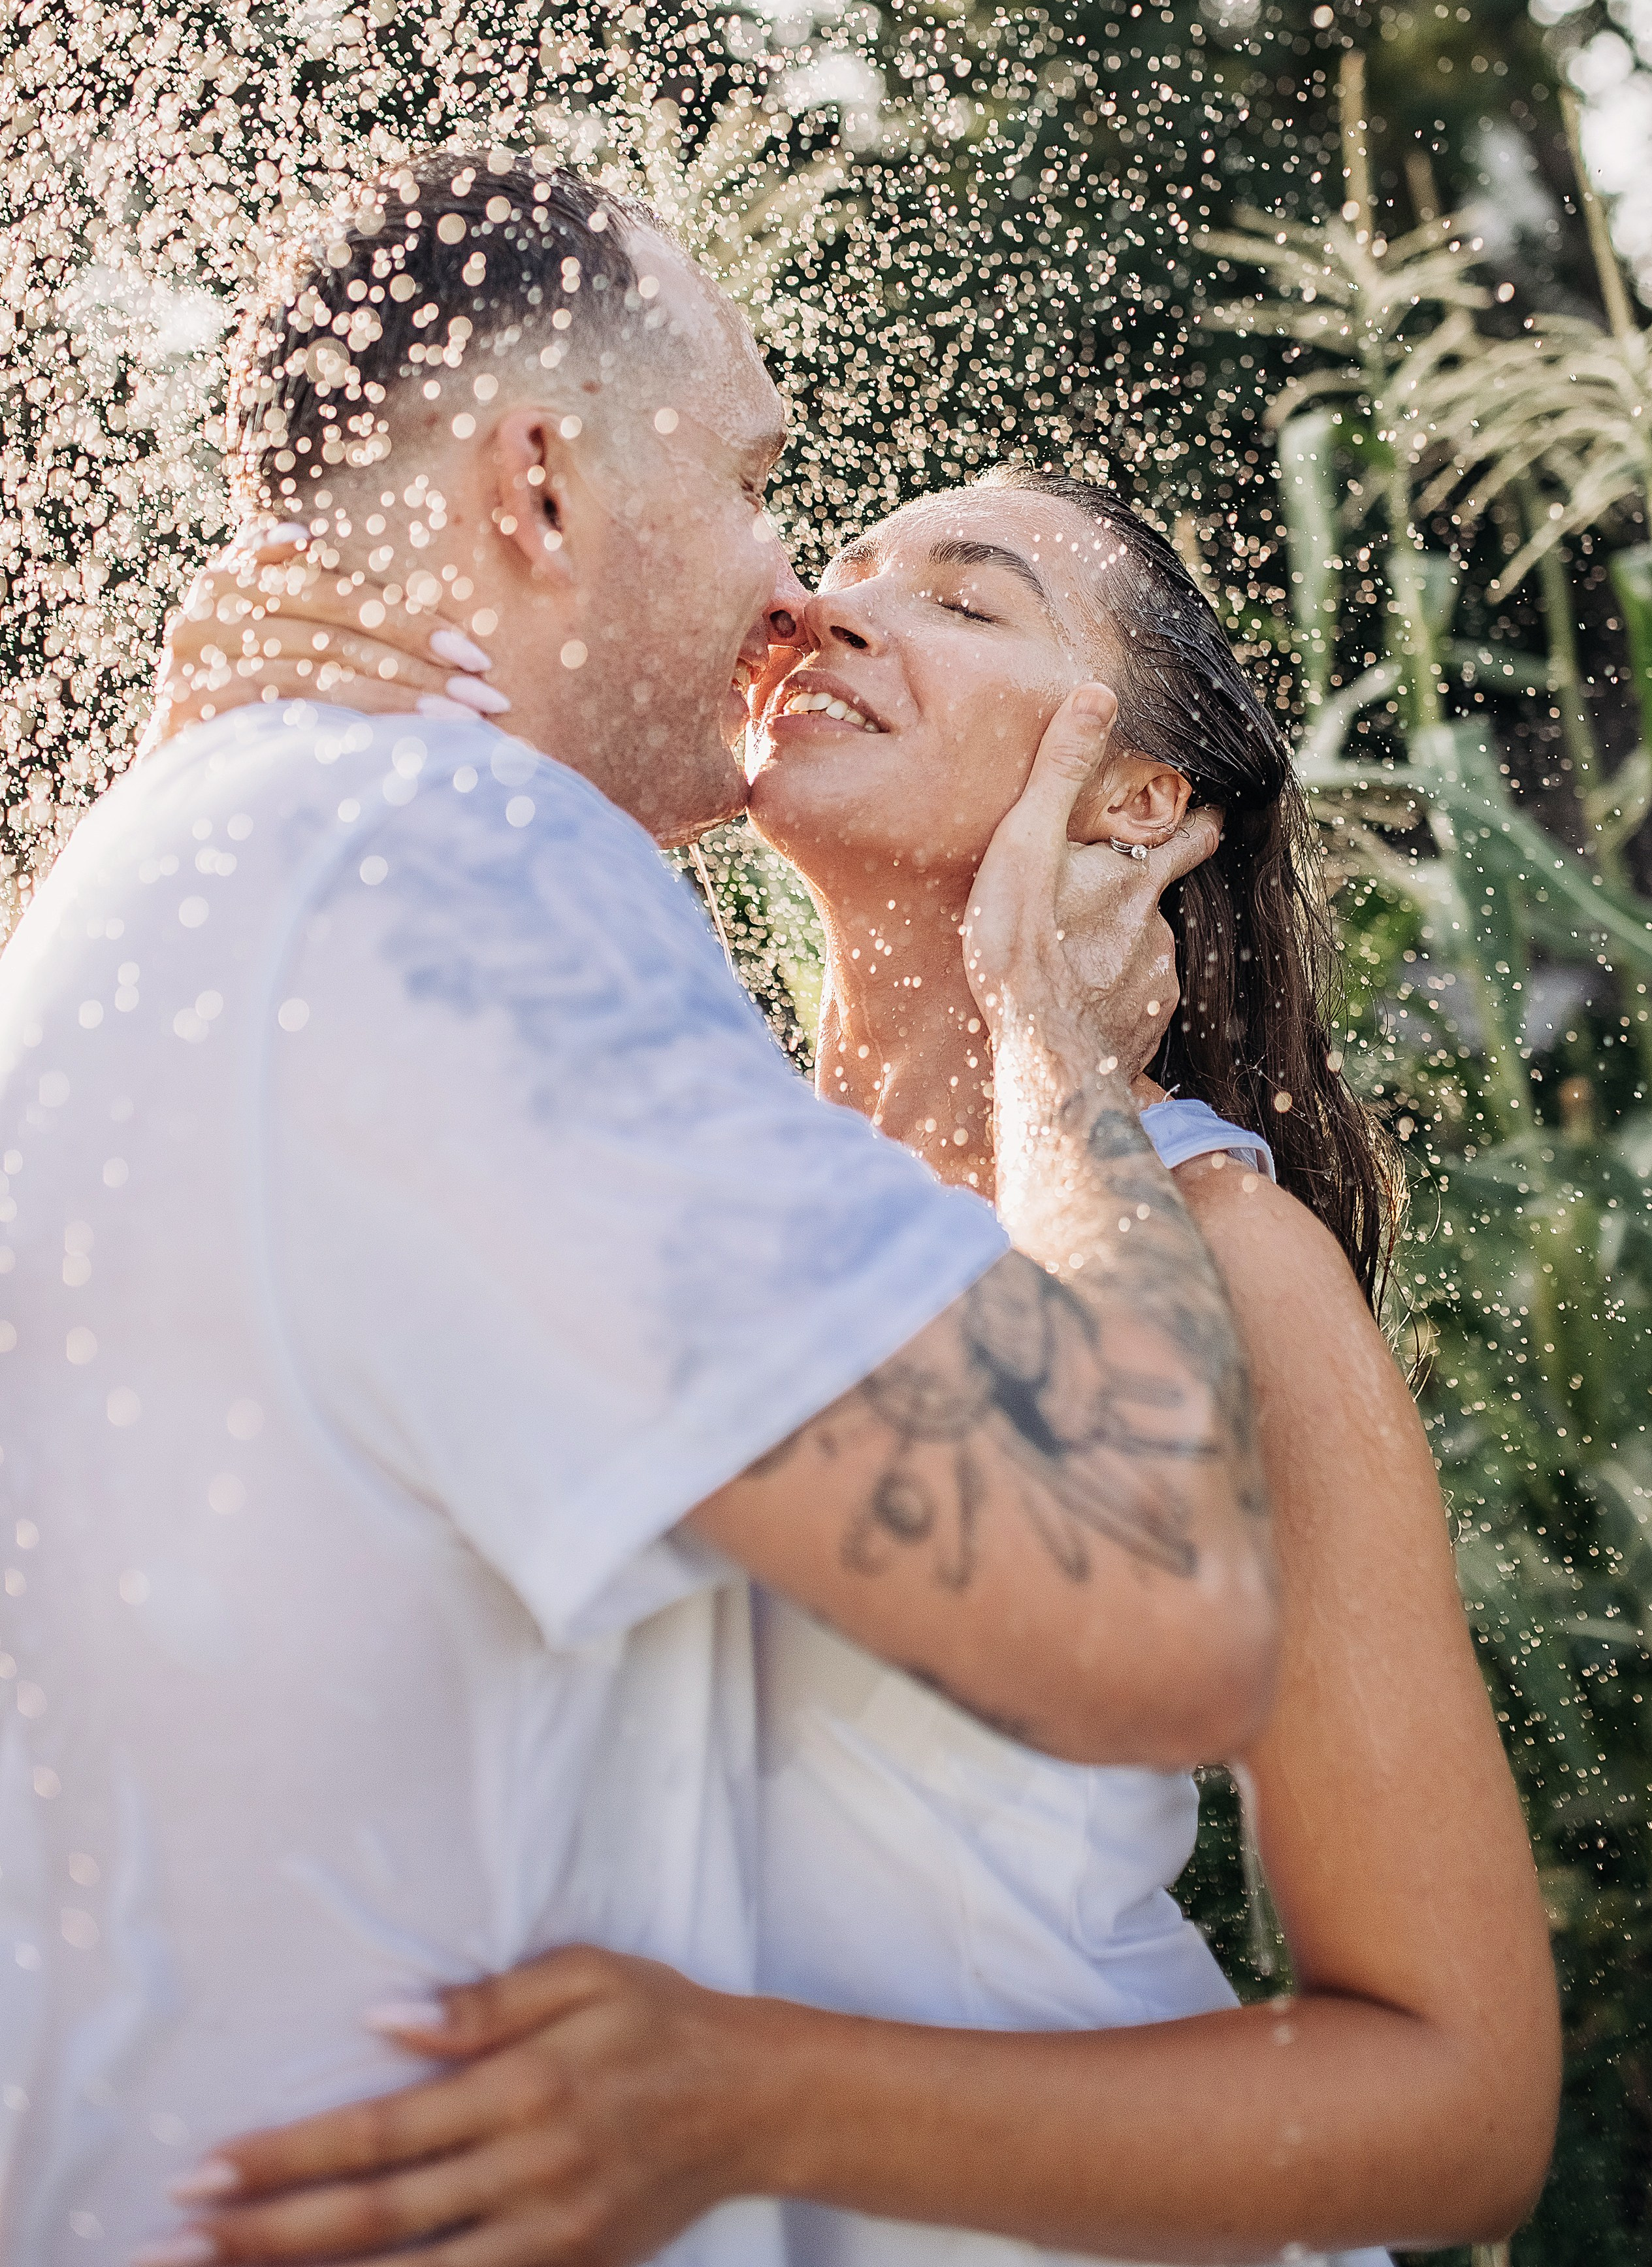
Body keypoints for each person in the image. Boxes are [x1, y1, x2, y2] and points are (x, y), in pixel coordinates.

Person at [0, 157, 1273, 2263]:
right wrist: (1054, 1044)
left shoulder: (210, 866)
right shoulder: (436, 878)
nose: (795, 597)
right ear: (539, 490)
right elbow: (1154, 1600)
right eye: (767, 484)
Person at [148, 468, 1560, 2266]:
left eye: (968, 603)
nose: (833, 610)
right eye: (834, 568)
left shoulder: (1223, 1254)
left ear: (1137, 796)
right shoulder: (679, 1150)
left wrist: (749, 2100)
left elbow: (1458, 2107)